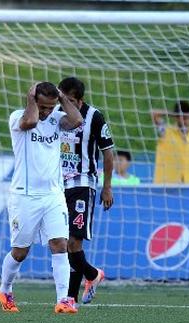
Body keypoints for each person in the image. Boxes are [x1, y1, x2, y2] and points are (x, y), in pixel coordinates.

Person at [0, 81, 83, 314]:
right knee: (20, 251)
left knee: (60, 243)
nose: (46, 112)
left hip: (53, 194)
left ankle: (64, 299)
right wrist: (31, 100)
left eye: (50, 107)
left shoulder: (56, 118)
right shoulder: (18, 118)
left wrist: (62, 98)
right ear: (34, 100)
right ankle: (5, 289)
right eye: (43, 106)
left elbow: (77, 121)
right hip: (24, 196)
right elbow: (31, 121)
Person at [57, 77, 114, 305]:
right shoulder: (56, 115)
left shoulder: (95, 117)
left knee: (73, 242)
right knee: (60, 242)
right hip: (57, 186)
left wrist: (107, 187)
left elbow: (108, 154)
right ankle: (92, 274)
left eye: (70, 101)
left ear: (80, 101)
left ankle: (69, 298)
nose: (65, 106)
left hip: (83, 184)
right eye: (63, 100)